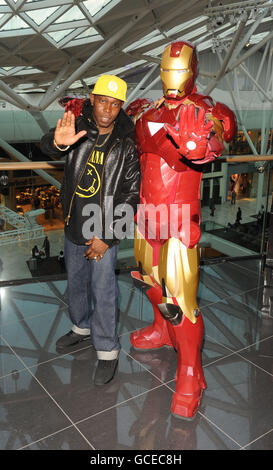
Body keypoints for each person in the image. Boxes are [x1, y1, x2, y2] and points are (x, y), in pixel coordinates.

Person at [126, 40, 236, 420]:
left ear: (192, 71)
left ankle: (191, 370)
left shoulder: (205, 109)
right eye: (167, 71)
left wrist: (206, 142)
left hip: (179, 219)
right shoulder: (147, 108)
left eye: (180, 71)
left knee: (181, 299)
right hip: (146, 215)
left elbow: (222, 133)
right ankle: (160, 330)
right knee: (148, 278)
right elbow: (122, 125)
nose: (173, 78)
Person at [40, 74, 140, 386]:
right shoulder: (78, 129)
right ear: (92, 100)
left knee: (104, 290)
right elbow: (47, 145)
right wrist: (58, 143)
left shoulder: (126, 145)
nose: (107, 109)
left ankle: (107, 349)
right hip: (74, 223)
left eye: (114, 103)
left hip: (103, 231)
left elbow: (131, 195)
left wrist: (108, 237)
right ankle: (81, 327)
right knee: (76, 282)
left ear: (120, 107)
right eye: (102, 101)